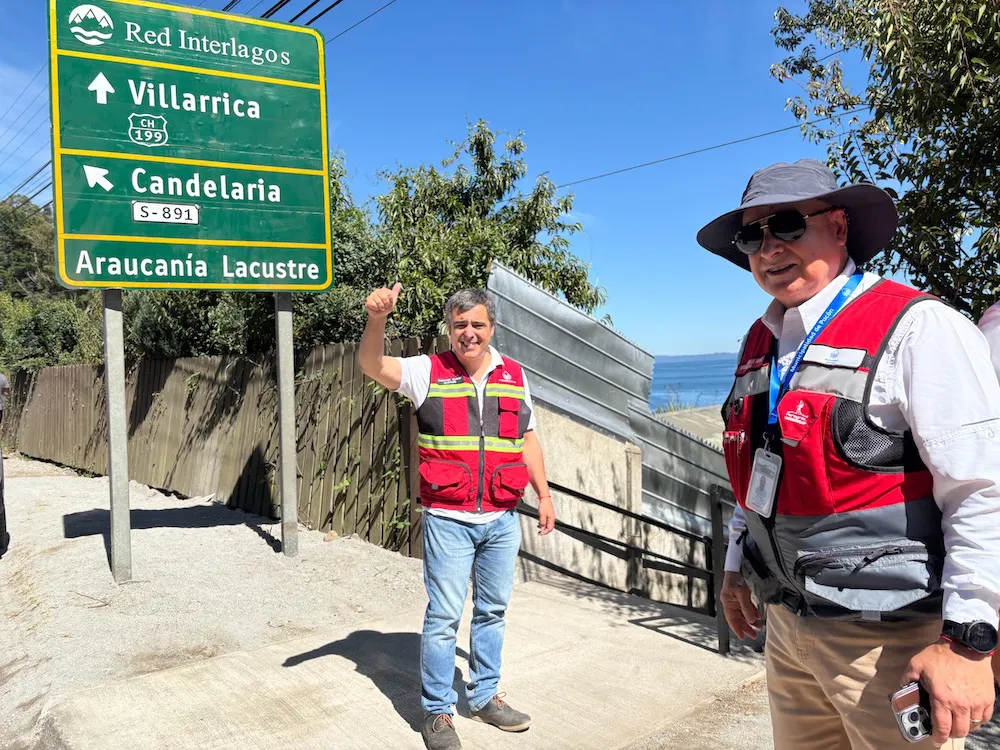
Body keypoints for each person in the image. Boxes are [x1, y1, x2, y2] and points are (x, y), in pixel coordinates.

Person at [697, 159, 1000, 749]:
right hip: (788, 628)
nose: (767, 247)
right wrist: (736, 565)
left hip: (892, 642)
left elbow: (983, 489)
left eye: (785, 225)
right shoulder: (761, 341)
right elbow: (758, 467)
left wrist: (968, 642)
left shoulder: (919, 328)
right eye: (750, 235)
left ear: (838, 227)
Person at [359, 284, 556, 750]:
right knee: (444, 616)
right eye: (460, 325)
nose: (469, 333)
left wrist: (544, 494)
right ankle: (438, 712)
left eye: (478, 325)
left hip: (502, 518)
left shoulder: (515, 374)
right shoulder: (427, 371)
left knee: (493, 611)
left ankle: (486, 696)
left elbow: (526, 439)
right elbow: (372, 365)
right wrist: (376, 319)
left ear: (492, 328)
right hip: (449, 518)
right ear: (450, 328)